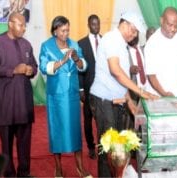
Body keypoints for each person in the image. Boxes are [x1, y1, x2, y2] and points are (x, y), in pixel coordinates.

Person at [89, 11, 158, 177]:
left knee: (118, 147)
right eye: (133, 31)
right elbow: (116, 71)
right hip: (104, 100)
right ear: (125, 24)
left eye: (136, 33)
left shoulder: (121, 44)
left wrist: (129, 102)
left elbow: (122, 79)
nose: (134, 35)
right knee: (108, 148)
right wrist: (141, 92)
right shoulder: (112, 39)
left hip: (117, 101)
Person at [39, 16, 92, 178]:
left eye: (68, 30)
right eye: (63, 30)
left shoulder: (74, 44)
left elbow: (84, 66)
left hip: (72, 95)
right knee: (57, 131)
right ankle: (58, 168)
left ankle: (80, 167)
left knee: (75, 130)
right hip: (56, 96)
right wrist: (62, 61)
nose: (66, 33)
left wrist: (77, 60)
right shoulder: (46, 46)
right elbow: (43, 67)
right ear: (55, 30)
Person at [0, 12, 37, 177]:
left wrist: (30, 70)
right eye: (20, 25)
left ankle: (24, 173)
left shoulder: (27, 44)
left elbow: (34, 67)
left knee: (25, 143)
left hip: (24, 103)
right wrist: (12, 70)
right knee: (6, 145)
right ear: (10, 24)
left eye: (24, 25)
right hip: (6, 103)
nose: (24, 28)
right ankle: (9, 174)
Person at [144, 7, 177, 97]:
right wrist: (164, 94)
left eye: (176, 26)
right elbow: (151, 76)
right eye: (170, 25)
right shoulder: (152, 43)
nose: (173, 29)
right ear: (161, 21)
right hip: (158, 97)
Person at [77, 14, 101, 160]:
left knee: (103, 119)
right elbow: (79, 69)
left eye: (98, 24)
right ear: (88, 24)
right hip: (88, 88)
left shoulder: (105, 41)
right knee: (88, 120)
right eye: (93, 24)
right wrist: (80, 89)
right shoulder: (81, 43)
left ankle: (102, 145)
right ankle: (91, 147)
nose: (96, 27)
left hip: (103, 90)